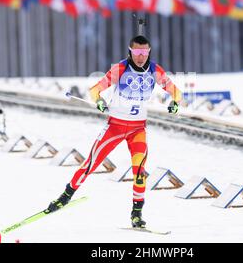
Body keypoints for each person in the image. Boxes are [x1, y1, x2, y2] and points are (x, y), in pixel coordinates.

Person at [46, 35, 182, 228]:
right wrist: (99, 100)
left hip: (137, 129)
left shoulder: (155, 71)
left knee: (139, 171)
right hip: (115, 127)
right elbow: (95, 90)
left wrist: (175, 103)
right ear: (130, 51)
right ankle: (64, 197)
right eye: (137, 52)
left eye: (144, 52)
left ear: (149, 52)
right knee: (90, 163)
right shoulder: (121, 69)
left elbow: (177, 92)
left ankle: (136, 214)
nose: (140, 56)